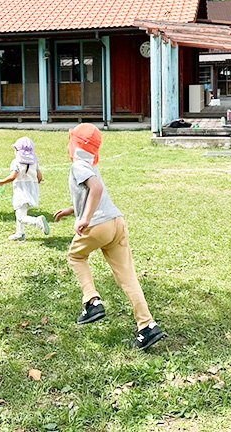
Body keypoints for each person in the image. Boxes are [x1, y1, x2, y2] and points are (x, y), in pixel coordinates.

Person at [53, 123, 166, 350]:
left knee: (76, 257)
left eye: (70, 141)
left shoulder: (78, 166)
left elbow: (96, 190)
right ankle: (147, 325)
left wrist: (84, 219)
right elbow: (93, 196)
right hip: (116, 223)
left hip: (98, 226)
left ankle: (92, 301)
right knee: (128, 277)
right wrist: (72, 210)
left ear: (76, 145)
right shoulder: (91, 167)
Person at [0, 136, 51, 241]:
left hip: (21, 190)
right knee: (22, 212)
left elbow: (13, 176)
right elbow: (40, 177)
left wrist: (2, 182)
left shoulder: (16, 162)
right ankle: (20, 234)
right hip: (32, 190)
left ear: (17, 150)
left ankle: (36, 221)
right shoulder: (35, 163)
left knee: (20, 216)